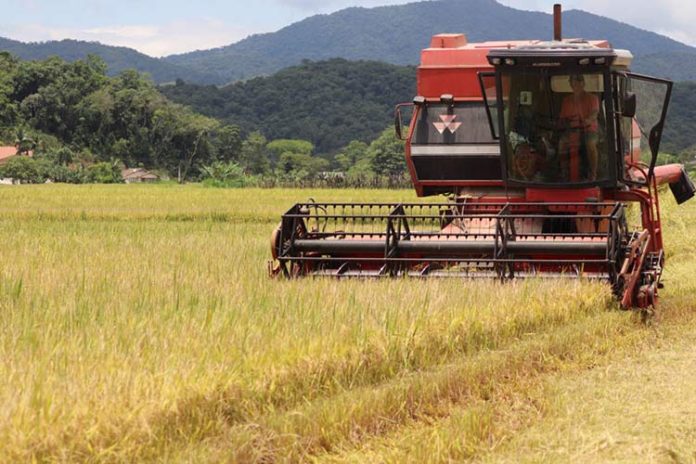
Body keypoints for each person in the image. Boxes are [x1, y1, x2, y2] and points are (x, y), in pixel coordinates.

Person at [558, 74, 599, 181]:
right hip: (571, 130)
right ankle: (564, 172)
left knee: (590, 144)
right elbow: (562, 118)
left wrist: (588, 120)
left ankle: (593, 174)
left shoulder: (593, 98)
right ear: (571, 84)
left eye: (579, 82)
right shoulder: (566, 101)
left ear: (583, 83)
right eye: (573, 82)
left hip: (589, 130)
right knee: (561, 144)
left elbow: (594, 113)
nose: (576, 85)